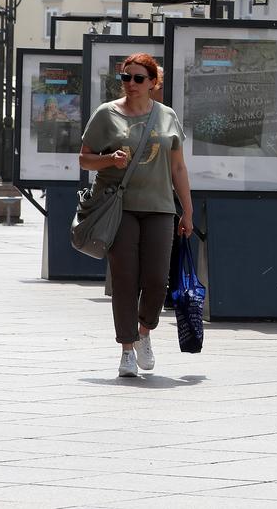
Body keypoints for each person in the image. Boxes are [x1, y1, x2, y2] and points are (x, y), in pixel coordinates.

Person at [78, 54, 193, 378]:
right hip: (120, 208)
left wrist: (188, 209)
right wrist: (108, 161)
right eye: (126, 78)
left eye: (138, 78)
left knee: (157, 280)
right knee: (125, 279)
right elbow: (84, 159)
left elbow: (178, 167)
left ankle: (144, 332)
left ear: (153, 82)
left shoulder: (166, 116)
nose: (130, 84)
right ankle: (127, 349)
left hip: (160, 207)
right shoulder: (106, 114)